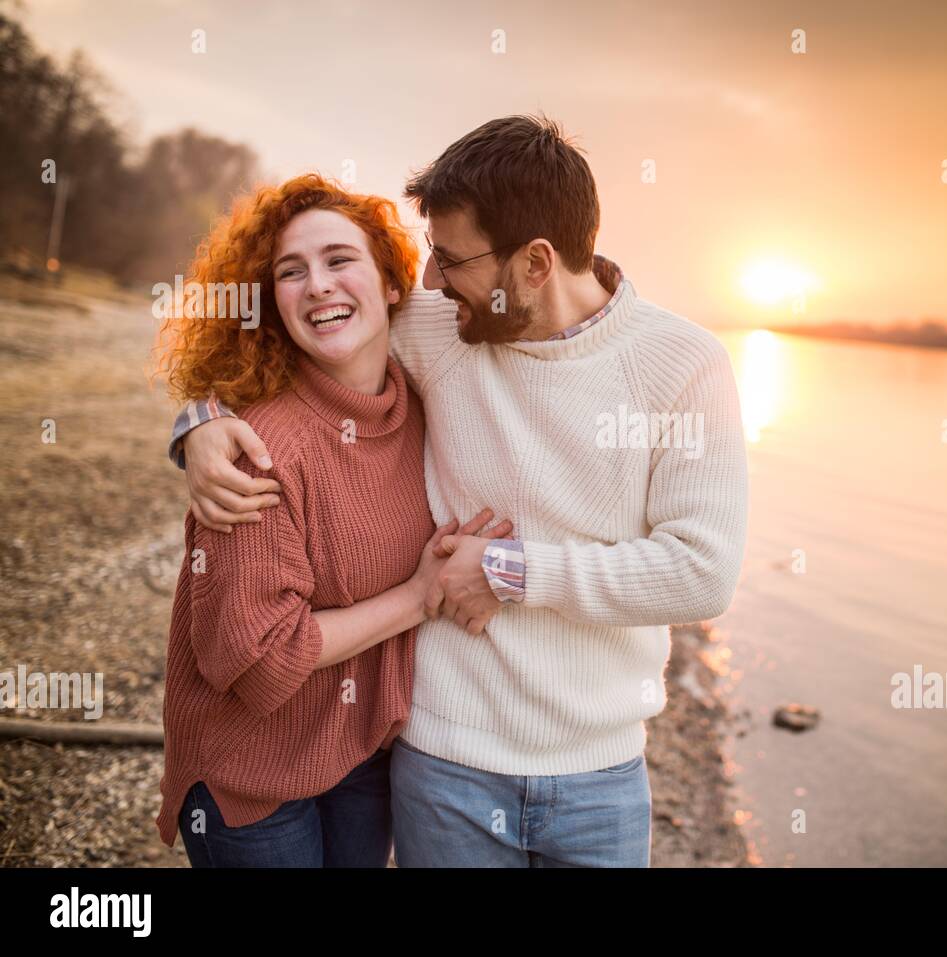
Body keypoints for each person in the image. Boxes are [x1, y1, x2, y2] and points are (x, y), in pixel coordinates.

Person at [171, 116, 749, 867]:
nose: (430, 282)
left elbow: (701, 571)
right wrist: (200, 424)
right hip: (442, 761)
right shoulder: (444, 328)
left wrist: (507, 570)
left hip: (600, 774)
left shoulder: (686, 365)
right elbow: (306, 339)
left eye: (449, 259)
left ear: (536, 262)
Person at [153, 173, 512, 866]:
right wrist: (416, 596)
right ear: (272, 303)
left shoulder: (420, 401)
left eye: (339, 260)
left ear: (391, 286)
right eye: (292, 271)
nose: (317, 284)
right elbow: (261, 660)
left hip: (359, 753)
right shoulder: (258, 451)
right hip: (249, 777)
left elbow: (538, 321)